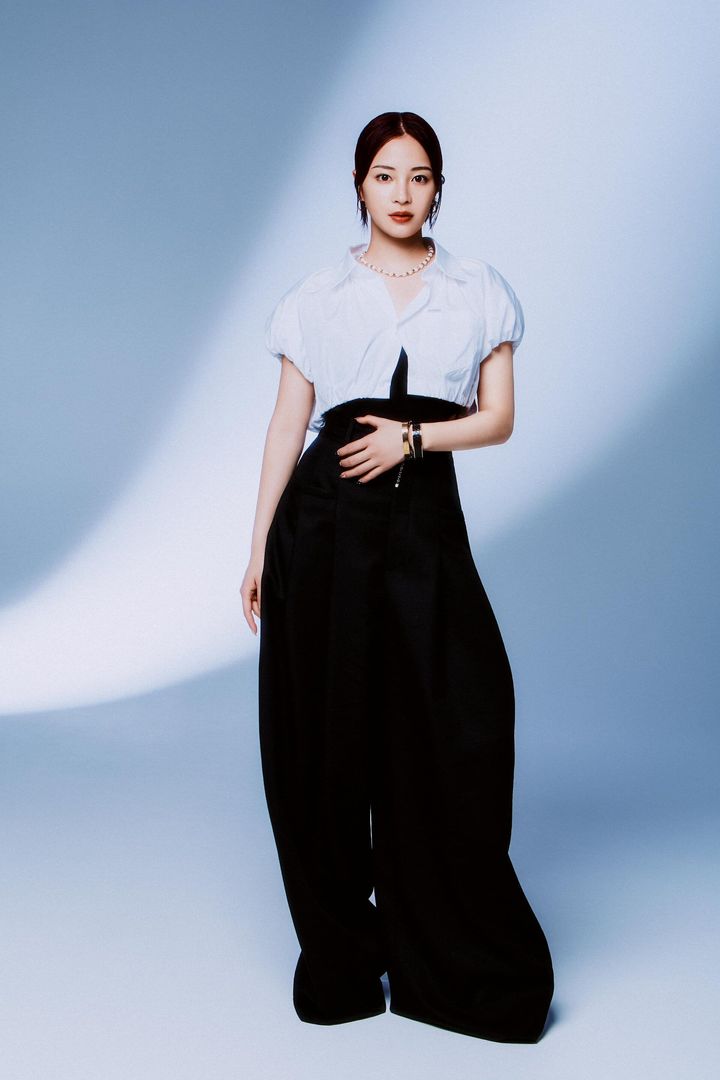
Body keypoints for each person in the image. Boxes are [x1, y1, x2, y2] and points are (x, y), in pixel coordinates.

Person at [240, 111, 555, 1044]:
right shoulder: (318, 294)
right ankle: (341, 957)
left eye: (419, 177)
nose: (403, 193)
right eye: (385, 175)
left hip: (422, 530)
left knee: (455, 722)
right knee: (325, 739)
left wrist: (412, 439)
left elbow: (497, 419)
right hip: (323, 530)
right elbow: (286, 425)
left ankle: (441, 954)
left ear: (438, 189)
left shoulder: (476, 289)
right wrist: (257, 548)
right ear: (359, 185)